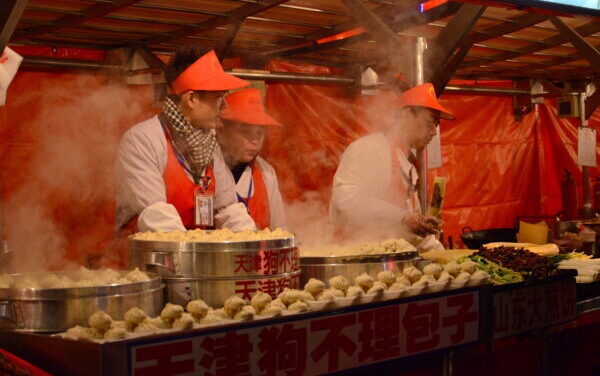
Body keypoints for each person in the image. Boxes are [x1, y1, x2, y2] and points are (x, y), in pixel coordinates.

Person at [115, 47, 256, 233]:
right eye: (218, 97)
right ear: (191, 99)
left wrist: (254, 243)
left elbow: (228, 209)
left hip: (191, 255)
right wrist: (192, 254)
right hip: (146, 259)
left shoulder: (209, 144)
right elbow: (155, 217)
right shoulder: (142, 140)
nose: (225, 105)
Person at [329, 83, 453, 250]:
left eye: (436, 126)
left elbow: (409, 229)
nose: (433, 132)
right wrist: (402, 217)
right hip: (356, 258)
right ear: (407, 115)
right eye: (431, 123)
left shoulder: (407, 164)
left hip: (388, 260)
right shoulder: (368, 149)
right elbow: (345, 201)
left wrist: (440, 253)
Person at [216, 88, 287, 230]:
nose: (254, 141)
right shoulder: (207, 169)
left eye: (259, 133)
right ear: (222, 131)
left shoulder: (266, 173)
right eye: (246, 132)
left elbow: (280, 230)